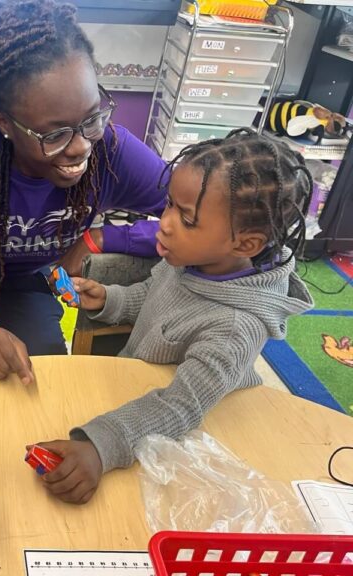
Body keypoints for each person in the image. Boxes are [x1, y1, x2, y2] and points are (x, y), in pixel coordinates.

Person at [33, 129, 313, 504]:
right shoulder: (192, 259)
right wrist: (109, 300)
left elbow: (181, 407)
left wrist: (100, 446)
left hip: (186, 438)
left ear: (245, 244)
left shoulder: (234, 329)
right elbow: (155, 294)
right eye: (169, 205)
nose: (164, 222)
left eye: (187, 219)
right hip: (135, 398)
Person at [0, 0, 167, 386]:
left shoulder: (111, 151)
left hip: (28, 285)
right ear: (4, 123)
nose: (81, 146)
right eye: (54, 134)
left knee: (44, 376)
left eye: (92, 118)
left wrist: (102, 237)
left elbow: (203, 217)